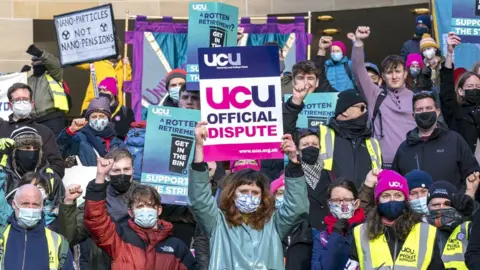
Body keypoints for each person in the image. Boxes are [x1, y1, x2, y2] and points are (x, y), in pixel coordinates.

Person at [188, 122, 308, 269]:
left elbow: (298, 207)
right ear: (232, 194)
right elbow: (199, 200)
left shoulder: (274, 224)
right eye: (244, 191)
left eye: (255, 192)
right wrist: (200, 149)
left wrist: (294, 163)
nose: (249, 196)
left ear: (263, 196)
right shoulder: (218, 222)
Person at [82, 157, 196, 269]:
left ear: (158, 210)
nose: (145, 209)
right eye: (140, 206)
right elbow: (96, 220)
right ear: (131, 212)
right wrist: (100, 176)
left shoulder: (176, 247)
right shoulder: (120, 239)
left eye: (150, 205)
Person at [283, 84, 382, 188]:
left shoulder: (373, 143)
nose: (366, 112)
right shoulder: (321, 134)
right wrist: (294, 103)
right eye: (362, 108)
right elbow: (288, 136)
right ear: (345, 111)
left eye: (366, 108)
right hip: (328, 200)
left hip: (364, 202)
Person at [58, 148, 140, 270]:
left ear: (133, 170)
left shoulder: (146, 195)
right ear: (107, 173)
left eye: (126, 169)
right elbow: (71, 238)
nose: (122, 174)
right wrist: (68, 203)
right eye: (116, 170)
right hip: (101, 263)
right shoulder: (96, 198)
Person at [349, 170, 445, 269]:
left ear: (405, 200)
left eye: (398, 195)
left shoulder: (427, 232)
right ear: (378, 201)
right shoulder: (361, 232)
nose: (392, 200)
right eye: (386, 196)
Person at [349, 26, 416, 168]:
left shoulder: (415, 98)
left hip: (412, 162)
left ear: (405, 74)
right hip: (383, 165)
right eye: (389, 72)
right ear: (383, 77)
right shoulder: (376, 95)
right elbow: (358, 70)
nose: (394, 76)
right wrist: (359, 43)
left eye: (398, 71)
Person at [392, 91, 480, 189]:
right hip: (415, 202)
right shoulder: (404, 148)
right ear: (413, 115)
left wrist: (460, 199)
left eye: (429, 108)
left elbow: (472, 175)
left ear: (437, 112)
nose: (424, 112)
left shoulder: (455, 141)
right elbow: (395, 184)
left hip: (450, 203)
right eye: (420, 109)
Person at [0, 184, 74, 269]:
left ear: (42, 206)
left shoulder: (58, 242)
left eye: (35, 204)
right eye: (25, 203)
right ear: (14, 204)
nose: (30, 208)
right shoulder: (1, 236)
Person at [0, 83, 65, 178]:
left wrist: (40, 181)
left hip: (35, 187)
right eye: (17, 100)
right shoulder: (1, 127)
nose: (22, 103)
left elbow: (57, 164)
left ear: (32, 103)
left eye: (25, 99)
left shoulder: (44, 131)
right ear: (10, 105)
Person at [439, 32, 480, 164]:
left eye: (478, 86)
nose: (474, 89)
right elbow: (446, 91)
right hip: (465, 171)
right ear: (461, 91)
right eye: (470, 86)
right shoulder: (455, 112)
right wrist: (450, 54)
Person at [311, 178, 365, 270]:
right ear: (329, 204)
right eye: (336, 200)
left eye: (347, 200)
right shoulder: (321, 237)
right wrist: (336, 236)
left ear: (356, 203)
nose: (342, 204)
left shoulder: (367, 230)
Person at [57, 97, 125, 166]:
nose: (98, 119)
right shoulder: (79, 138)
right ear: (88, 120)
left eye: (102, 116)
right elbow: (58, 152)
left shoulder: (118, 143)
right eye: (94, 117)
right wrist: (70, 131)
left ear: (108, 119)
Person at [426, 181, 475, 270]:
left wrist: (474, 211)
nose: (441, 208)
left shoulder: (468, 227)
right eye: (436, 205)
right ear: (428, 207)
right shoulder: (420, 231)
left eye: (446, 204)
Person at [25, 44, 68, 135]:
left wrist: (41, 54)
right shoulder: (29, 80)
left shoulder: (54, 75)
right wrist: (21, 75)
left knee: (54, 146)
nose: (36, 63)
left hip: (52, 118)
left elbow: (55, 64)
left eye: (39, 60)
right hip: (34, 120)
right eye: (34, 61)